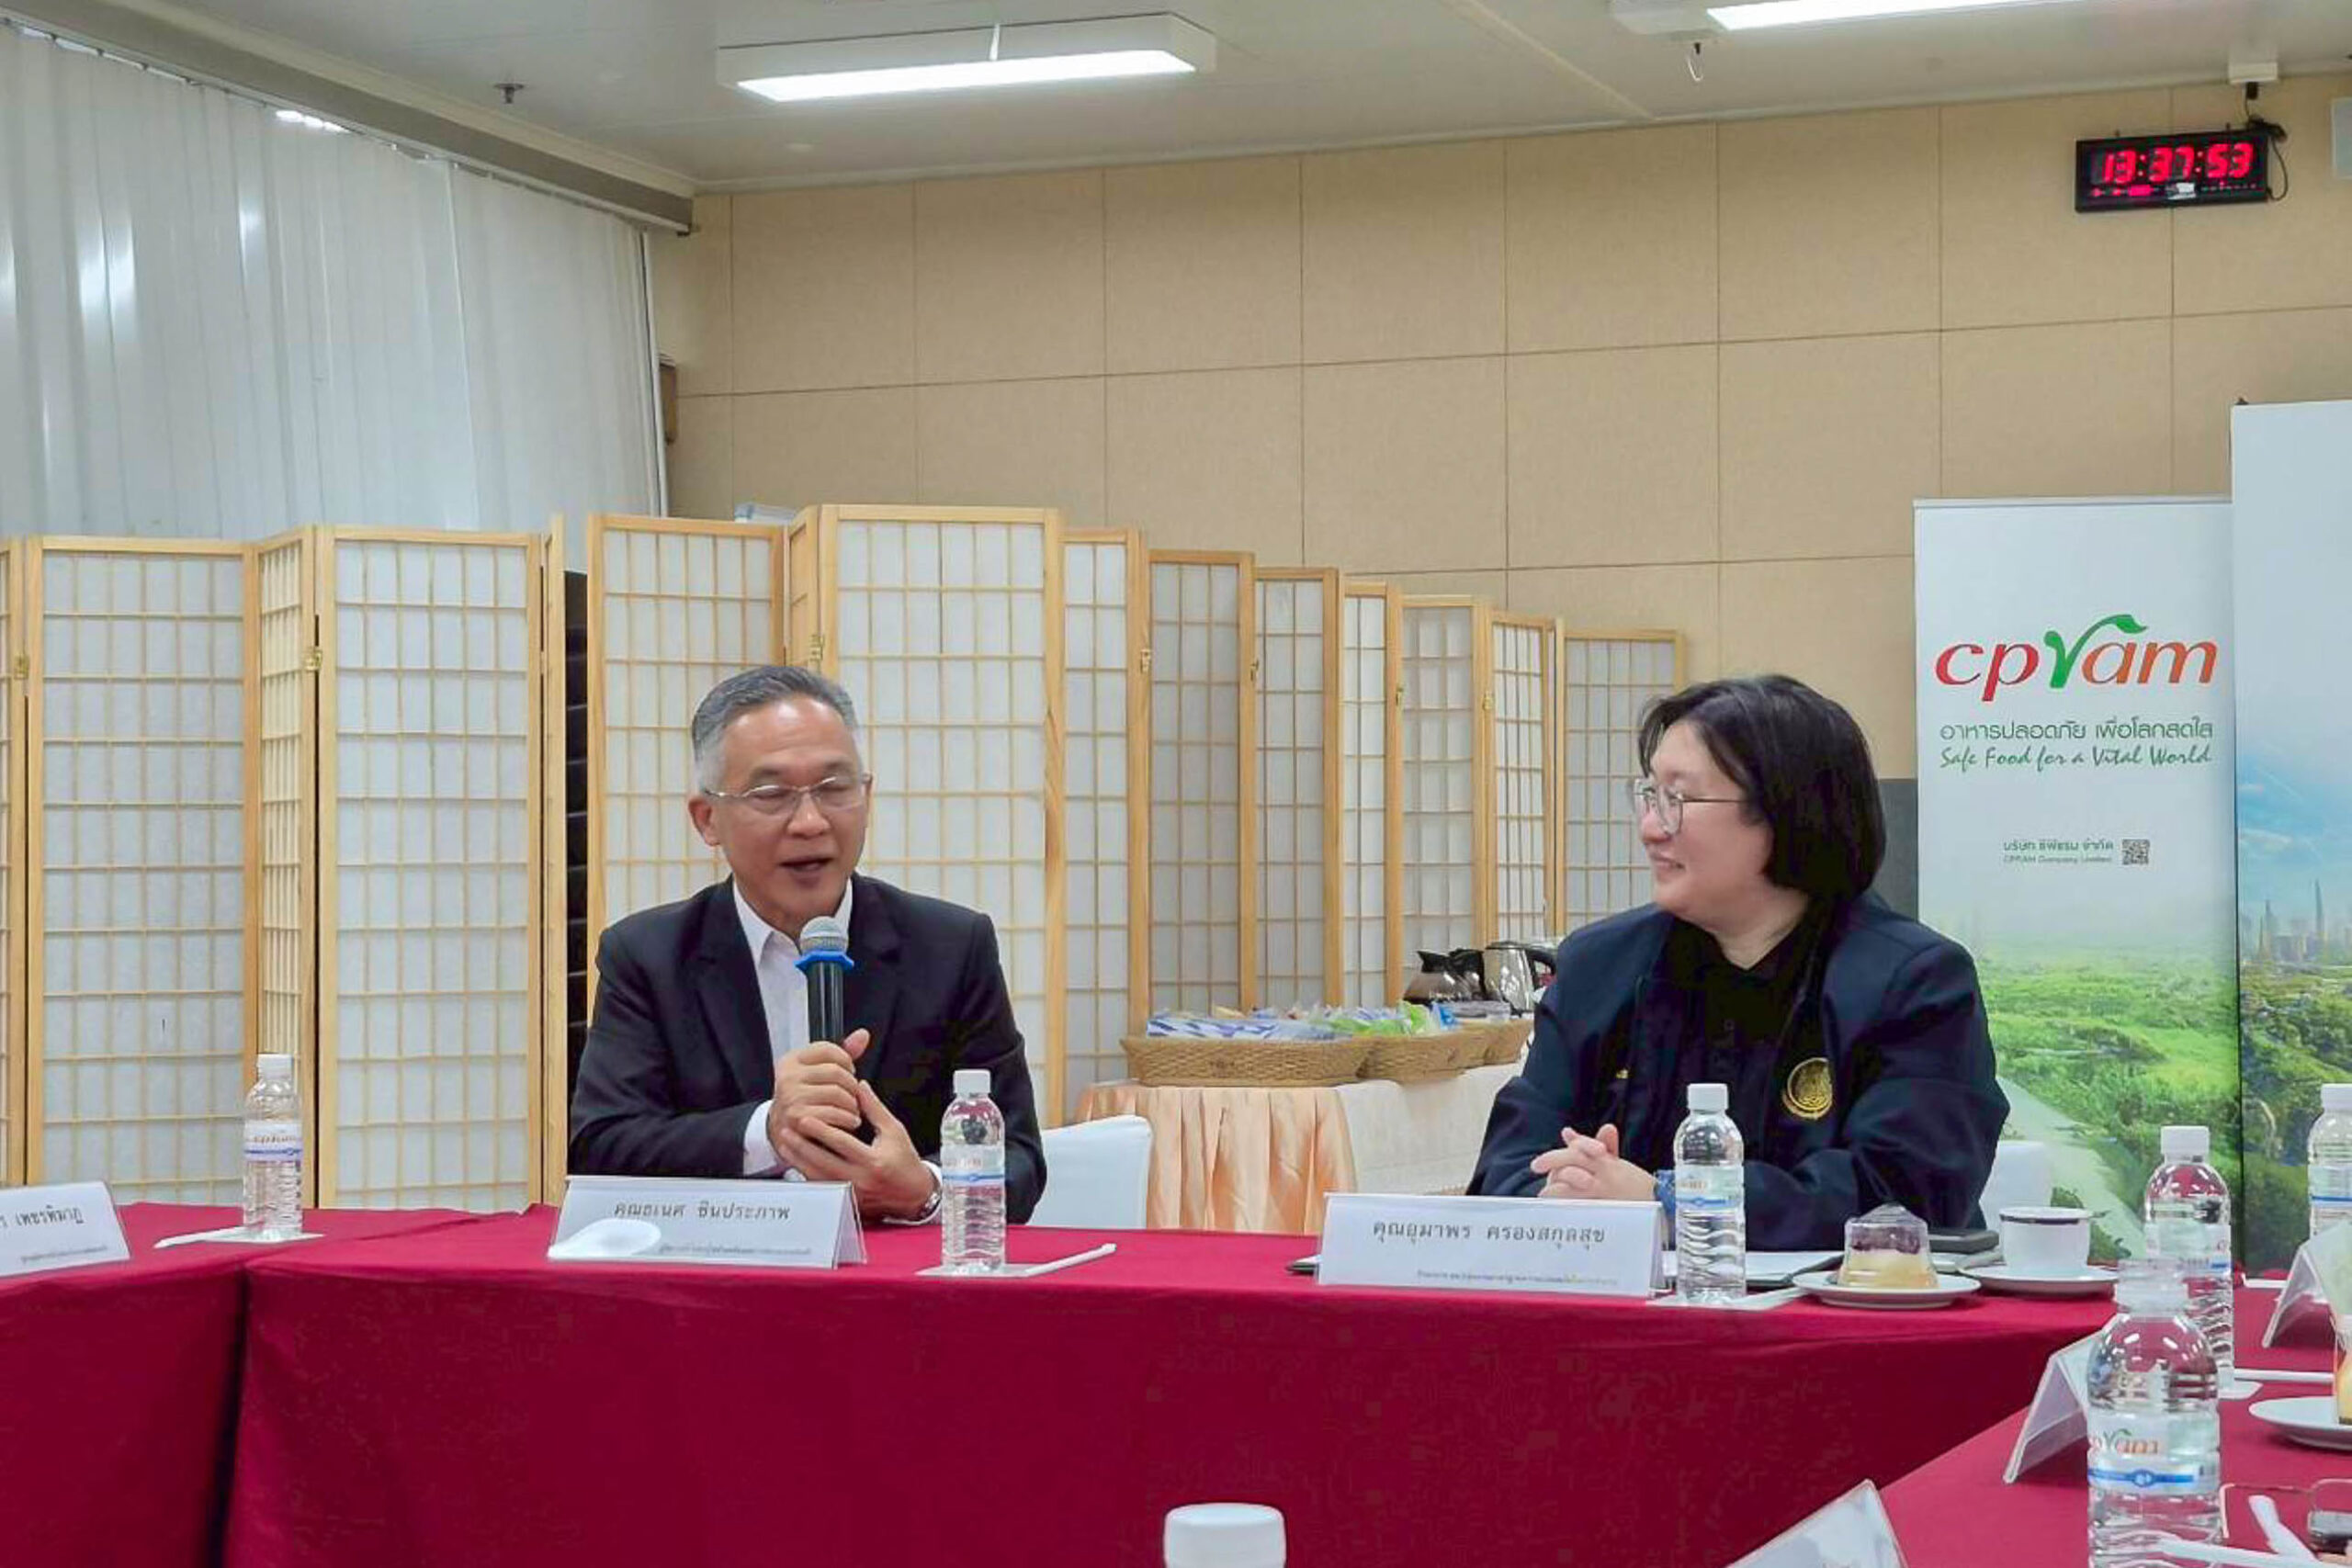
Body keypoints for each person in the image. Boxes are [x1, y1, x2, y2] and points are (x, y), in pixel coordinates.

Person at [1469, 674, 2004, 1249]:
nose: (1650, 828)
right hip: (1624, 1300)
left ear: (1785, 810)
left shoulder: (1913, 981)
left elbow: (1907, 1195)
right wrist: (1565, 1195)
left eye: (1678, 800)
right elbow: (1508, 1165)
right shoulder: (1600, 966)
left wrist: (1669, 1203)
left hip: (1838, 1307)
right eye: (1649, 795)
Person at [571, 665, 1046, 1224]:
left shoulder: (950, 947)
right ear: (708, 819)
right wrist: (769, 1131)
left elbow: (1019, 1157)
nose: (810, 822)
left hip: (893, 1268)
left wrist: (925, 1188)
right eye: (772, 794)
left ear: (866, 796)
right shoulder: (648, 956)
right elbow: (602, 1147)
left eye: (834, 788)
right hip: (722, 1265)